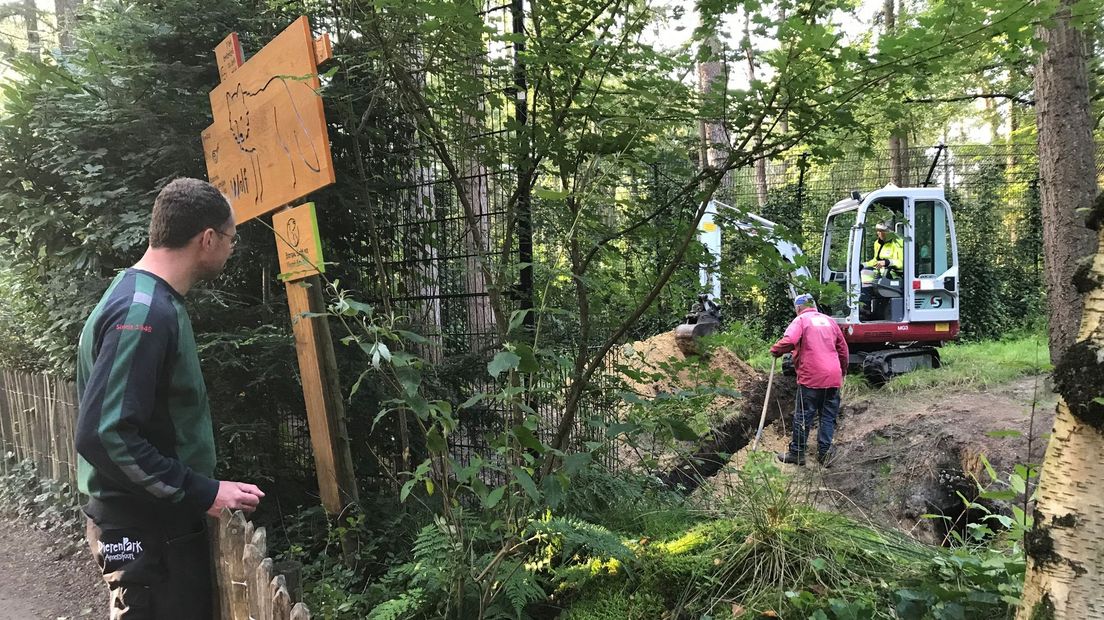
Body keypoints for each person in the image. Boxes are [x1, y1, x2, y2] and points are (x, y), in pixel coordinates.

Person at [75, 177, 264, 619]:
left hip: (149, 524)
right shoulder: (142, 313)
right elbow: (105, 434)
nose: (232, 248)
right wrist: (201, 491)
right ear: (208, 238)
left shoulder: (141, 297)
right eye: (232, 237)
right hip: (148, 529)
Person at [770, 294, 849, 467]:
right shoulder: (830, 321)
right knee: (828, 417)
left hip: (812, 377)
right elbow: (843, 350)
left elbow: (789, 340)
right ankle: (825, 455)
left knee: (803, 416)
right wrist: (842, 371)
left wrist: (776, 350)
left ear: (798, 308)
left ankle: (797, 453)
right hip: (833, 377)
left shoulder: (801, 320)